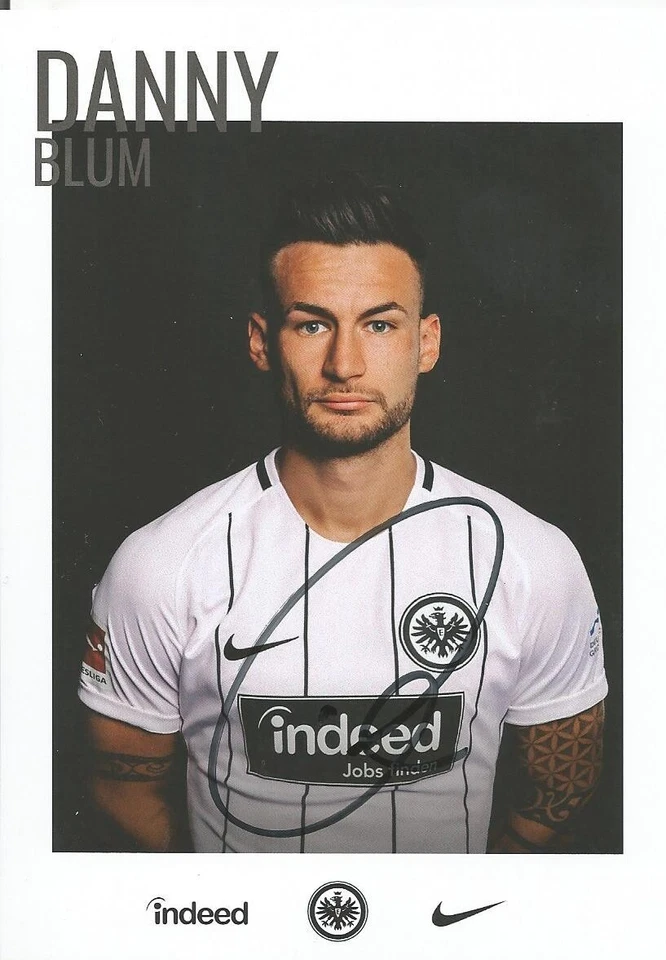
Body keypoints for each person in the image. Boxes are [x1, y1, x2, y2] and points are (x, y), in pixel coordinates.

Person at [78, 173, 607, 854]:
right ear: (262, 342)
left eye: (379, 324)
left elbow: (560, 789)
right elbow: (121, 788)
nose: (345, 364)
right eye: (312, 324)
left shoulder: (532, 560)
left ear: (426, 342)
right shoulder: (162, 564)